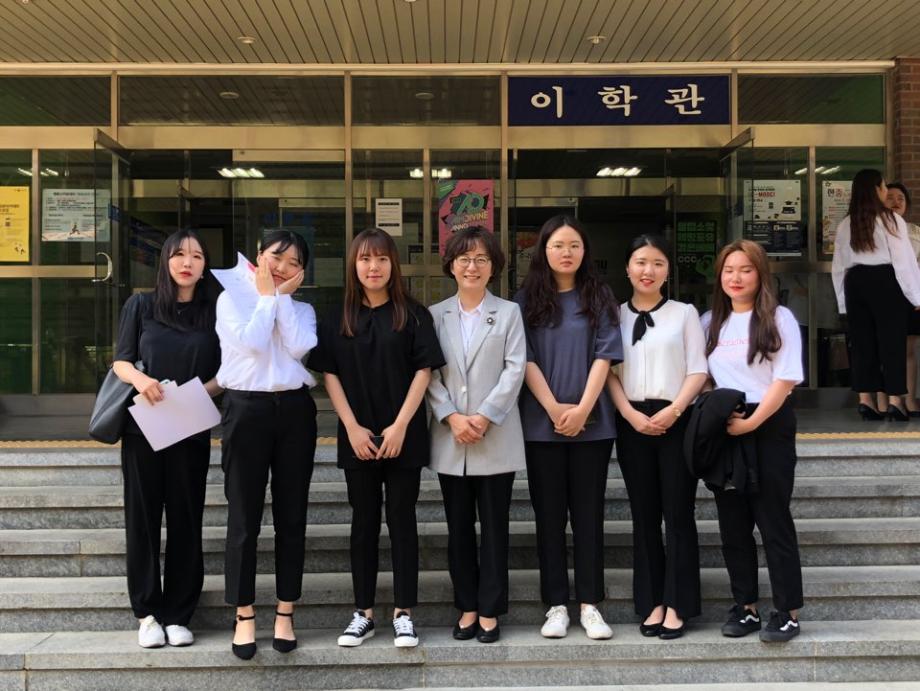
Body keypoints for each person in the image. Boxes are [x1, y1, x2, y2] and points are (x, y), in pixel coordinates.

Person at [308, 228, 445, 649]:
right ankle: (363, 613)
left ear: (393, 265)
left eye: (382, 259)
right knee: (363, 523)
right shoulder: (337, 317)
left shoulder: (414, 314)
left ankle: (404, 613)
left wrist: (402, 424)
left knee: (403, 521)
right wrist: (350, 427)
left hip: (404, 435)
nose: (373, 267)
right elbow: (329, 374)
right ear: (354, 264)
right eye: (365, 259)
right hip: (358, 436)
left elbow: (424, 370)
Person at [112, 229, 221, 649]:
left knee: (185, 518)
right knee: (142, 519)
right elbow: (121, 361)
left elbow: (228, 373)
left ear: (205, 265)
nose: (187, 262)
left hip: (190, 424)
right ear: (165, 261)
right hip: (144, 426)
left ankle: (178, 614)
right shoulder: (141, 305)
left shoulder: (215, 312)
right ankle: (147, 614)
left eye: (196, 255)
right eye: (178, 254)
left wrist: (195, 394)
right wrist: (142, 381)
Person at [515, 214, 622, 640]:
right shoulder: (524, 301)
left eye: (574, 245)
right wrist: (554, 408)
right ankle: (556, 604)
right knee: (549, 517)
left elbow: (605, 355)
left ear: (584, 251)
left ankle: (590, 604)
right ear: (543, 250)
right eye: (558, 245)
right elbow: (524, 359)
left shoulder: (599, 295)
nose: (566, 252)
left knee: (589, 516)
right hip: (541, 427)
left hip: (593, 427)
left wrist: (581, 410)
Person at [216, 229, 318, 659]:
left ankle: (285, 611)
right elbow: (254, 344)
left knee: (292, 517)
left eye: (294, 263)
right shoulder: (230, 301)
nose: (282, 267)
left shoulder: (303, 309)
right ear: (258, 257)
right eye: (277, 257)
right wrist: (266, 298)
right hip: (245, 409)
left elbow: (300, 346)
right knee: (244, 517)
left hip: (295, 411)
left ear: (301, 273)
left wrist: (280, 300)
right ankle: (243, 614)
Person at [427, 227, 527, 644]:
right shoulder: (435, 315)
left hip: (494, 436)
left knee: (496, 529)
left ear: (493, 267)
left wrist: (484, 416)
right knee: (459, 529)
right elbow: (428, 373)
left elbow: (515, 368)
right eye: (464, 259)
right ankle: (466, 606)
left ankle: (490, 610)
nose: (472, 266)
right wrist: (451, 416)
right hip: (451, 438)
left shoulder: (509, 312)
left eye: (481, 259)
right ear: (451, 265)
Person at [701, 239, 804, 643]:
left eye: (745, 269)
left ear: (760, 274)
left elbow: (785, 378)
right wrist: (718, 409)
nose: (736, 277)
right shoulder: (711, 322)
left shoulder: (779, 318)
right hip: (727, 427)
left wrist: (753, 423)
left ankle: (787, 612)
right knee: (733, 526)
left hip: (770, 424)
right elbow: (702, 375)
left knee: (773, 520)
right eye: (729, 270)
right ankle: (745, 607)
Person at [606, 234, 707, 640]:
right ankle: (652, 601)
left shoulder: (684, 314)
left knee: (678, 513)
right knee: (644, 515)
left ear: (668, 271)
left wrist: (675, 409)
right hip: (632, 422)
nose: (648, 270)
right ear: (628, 268)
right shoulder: (612, 315)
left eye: (658, 263)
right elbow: (609, 373)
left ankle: (678, 603)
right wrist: (629, 414)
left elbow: (698, 369)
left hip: (676, 419)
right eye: (641, 262)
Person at [831, 169, 920, 421]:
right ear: (876, 190)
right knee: (892, 342)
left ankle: (866, 401)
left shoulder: (846, 223)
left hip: (855, 282)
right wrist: (916, 297)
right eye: (883, 187)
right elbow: (904, 262)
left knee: (862, 344)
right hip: (885, 281)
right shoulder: (891, 219)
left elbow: (839, 266)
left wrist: (842, 303)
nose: (886, 191)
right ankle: (895, 401)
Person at [886, 182, 920, 415]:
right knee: (887, 348)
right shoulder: (876, 230)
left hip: (911, 295)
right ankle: (889, 401)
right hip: (886, 295)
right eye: (890, 198)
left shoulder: (915, 231)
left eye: (901, 198)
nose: (896, 202)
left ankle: (909, 400)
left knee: (908, 349)